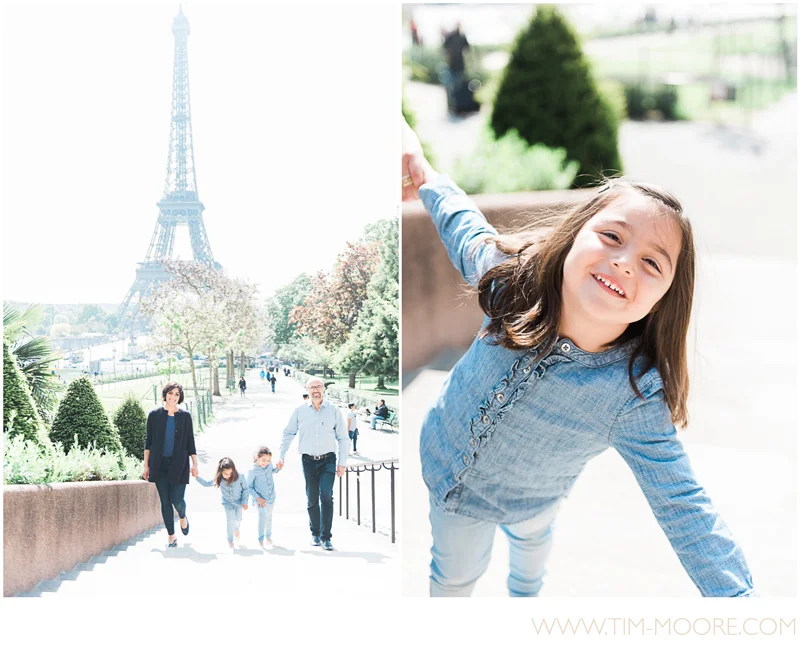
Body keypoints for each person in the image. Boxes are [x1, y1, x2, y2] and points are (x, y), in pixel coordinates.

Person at [401, 118, 756, 598]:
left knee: (530, 568)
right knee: (452, 580)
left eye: (652, 263)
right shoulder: (512, 285)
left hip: (536, 501)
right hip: (449, 482)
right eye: (612, 236)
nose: (626, 260)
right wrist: (426, 175)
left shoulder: (633, 396)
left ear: (663, 300)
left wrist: (740, 607)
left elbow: (685, 507)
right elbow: (465, 228)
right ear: (573, 236)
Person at [277, 378, 349, 551]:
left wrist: (342, 463)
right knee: (312, 498)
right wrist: (281, 455)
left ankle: (326, 537)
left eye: (319, 387)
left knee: (326, 496)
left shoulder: (333, 410)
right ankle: (315, 533)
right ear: (307, 390)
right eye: (312, 387)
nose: (316, 390)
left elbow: (343, 437)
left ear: (324, 389)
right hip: (308, 460)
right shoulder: (300, 411)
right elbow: (288, 433)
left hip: (329, 460)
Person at [142, 382, 198, 548]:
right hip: (159, 464)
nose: (173, 397)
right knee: (165, 502)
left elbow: (190, 442)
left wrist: (195, 464)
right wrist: (146, 466)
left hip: (179, 464)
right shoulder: (154, 415)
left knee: (177, 499)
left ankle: (182, 516)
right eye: (170, 393)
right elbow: (148, 442)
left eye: (177, 394)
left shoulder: (185, 416)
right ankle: (171, 536)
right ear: (165, 394)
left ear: (180, 397)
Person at [195, 457, 249, 550]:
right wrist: (196, 477)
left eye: (230, 473)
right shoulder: (219, 479)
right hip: (227, 503)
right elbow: (207, 483)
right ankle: (230, 540)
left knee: (238, 520)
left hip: (239, 503)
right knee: (230, 521)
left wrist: (245, 502)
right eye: (226, 474)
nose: (228, 476)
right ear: (221, 472)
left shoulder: (240, 477)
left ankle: (236, 529)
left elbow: (245, 489)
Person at [247, 446, 281, 548]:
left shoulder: (269, 465)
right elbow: (248, 487)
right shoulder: (253, 471)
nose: (266, 462)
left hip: (271, 497)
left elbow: (272, 471)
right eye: (263, 460)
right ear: (257, 458)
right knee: (262, 516)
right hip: (260, 500)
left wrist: (278, 469)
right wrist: (257, 498)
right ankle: (260, 539)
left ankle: (268, 536)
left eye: (268, 460)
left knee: (269, 517)